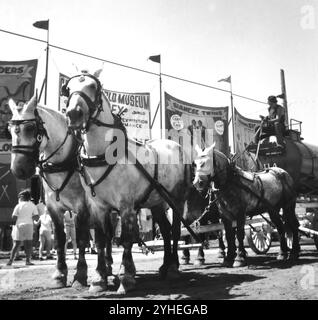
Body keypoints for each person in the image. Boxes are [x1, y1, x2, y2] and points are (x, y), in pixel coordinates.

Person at [6, 189, 39, 266]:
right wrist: (30, 216)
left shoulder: (18, 205)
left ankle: (10, 260)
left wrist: (20, 217)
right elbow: (36, 217)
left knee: (16, 244)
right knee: (29, 243)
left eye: (20, 196)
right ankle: (28, 261)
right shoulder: (32, 205)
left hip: (19, 225)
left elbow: (13, 217)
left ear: (23, 197)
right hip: (29, 225)